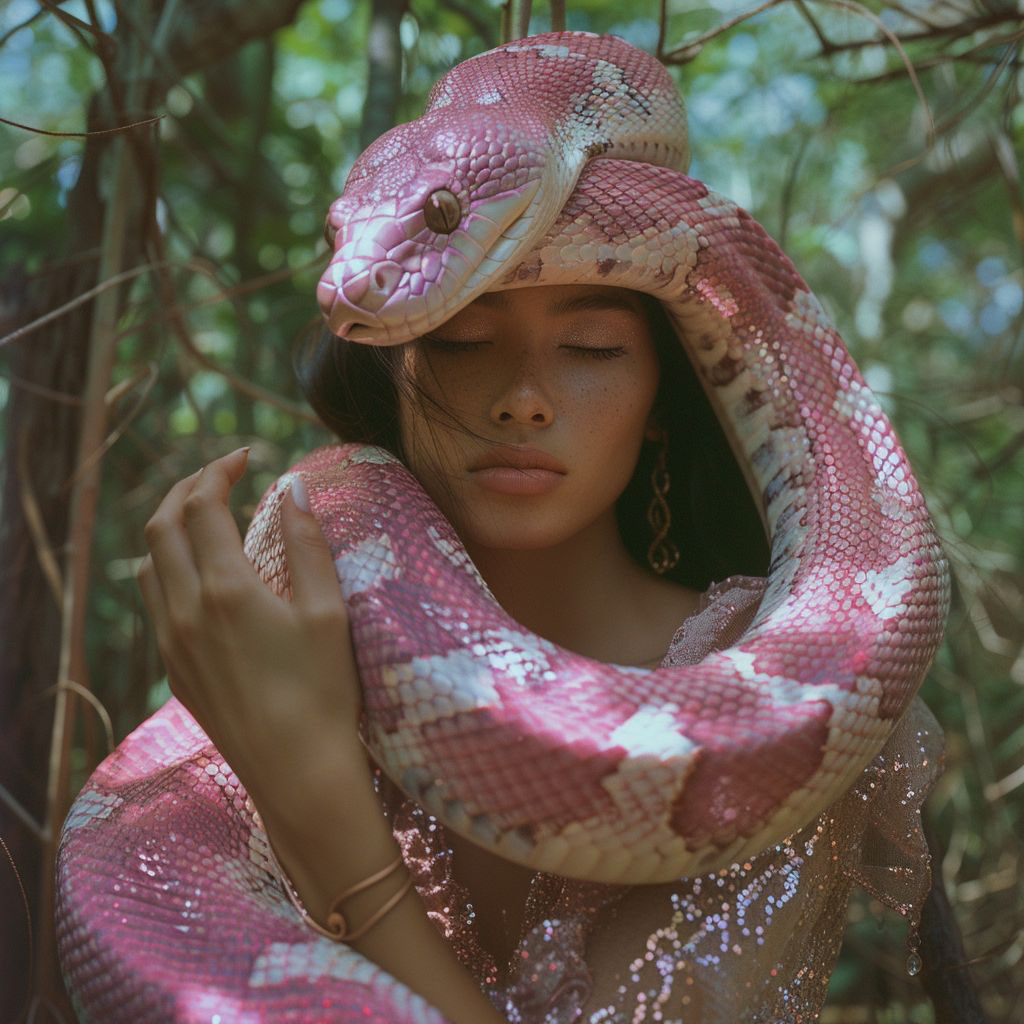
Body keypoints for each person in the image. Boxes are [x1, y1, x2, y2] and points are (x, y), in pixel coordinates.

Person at [137, 280, 944, 1023]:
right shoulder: (303, 639)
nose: (521, 401)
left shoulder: (790, 701)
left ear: (662, 396)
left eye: (592, 347)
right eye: (460, 340)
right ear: (393, 371)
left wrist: (321, 814)